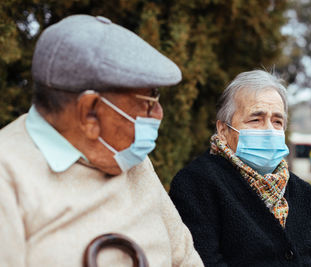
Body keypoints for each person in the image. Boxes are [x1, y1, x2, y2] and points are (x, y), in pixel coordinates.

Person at [0, 14, 203, 267]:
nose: (159, 114)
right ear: (90, 111)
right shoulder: (7, 176)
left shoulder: (131, 159)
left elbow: (185, 258)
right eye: (148, 102)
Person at [169, 70, 311, 266]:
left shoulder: (304, 194)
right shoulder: (196, 184)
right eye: (255, 119)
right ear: (223, 130)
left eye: (277, 121)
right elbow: (204, 261)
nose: (269, 130)